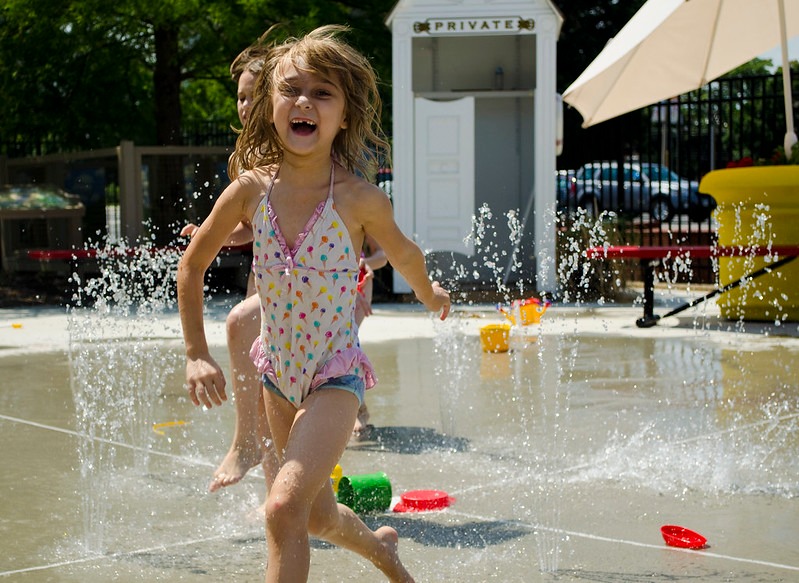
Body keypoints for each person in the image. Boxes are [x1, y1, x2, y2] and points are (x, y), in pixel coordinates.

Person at [177, 25, 450, 582]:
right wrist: (196, 353)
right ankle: (383, 551)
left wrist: (430, 293)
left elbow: (406, 254)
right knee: (318, 516)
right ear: (269, 106)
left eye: (323, 93)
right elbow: (191, 265)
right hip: (278, 377)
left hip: (333, 377)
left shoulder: (359, 199)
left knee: (282, 508)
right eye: (291, 90)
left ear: (344, 116)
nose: (304, 102)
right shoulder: (250, 191)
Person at [180, 41, 279, 494]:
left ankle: (246, 442)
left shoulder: (302, 150)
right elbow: (254, 226)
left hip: (307, 284)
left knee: (240, 325)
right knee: (267, 386)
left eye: (254, 96)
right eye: (240, 96)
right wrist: (219, 234)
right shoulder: (248, 158)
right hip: (267, 276)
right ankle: (277, 499)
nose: (245, 105)